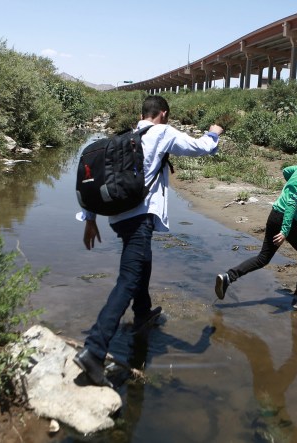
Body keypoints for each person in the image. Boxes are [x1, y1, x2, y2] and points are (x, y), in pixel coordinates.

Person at [74, 95, 223, 387]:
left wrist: (90, 219)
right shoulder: (162, 132)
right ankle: (94, 349)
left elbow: (99, 176)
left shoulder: (125, 138)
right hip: (140, 218)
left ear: (143, 113)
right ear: (163, 114)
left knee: (142, 262)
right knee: (129, 278)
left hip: (118, 216)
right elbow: (200, 148)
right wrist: (214, 133)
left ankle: (142, 315)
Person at [215, 150, 297, 310]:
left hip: (274, 214)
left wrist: (292, 185)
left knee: (263, 258)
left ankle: (228, 277)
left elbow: (286, 171)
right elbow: (293, 203)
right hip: (287, 220)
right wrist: (285, 231)